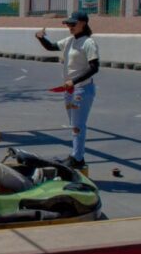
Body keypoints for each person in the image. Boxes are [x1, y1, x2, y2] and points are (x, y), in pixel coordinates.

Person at [35, 11, 99, 169]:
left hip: (82, 89)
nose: (70, 26)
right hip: (70, 89)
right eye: (68, 24)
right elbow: (51, 47)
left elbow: (94, 67)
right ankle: (76, 155)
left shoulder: (88, 43)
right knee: (74, 125)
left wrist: (74, 81)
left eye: (73, 24)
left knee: (78, 125)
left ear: (83, 23)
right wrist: (40, 37)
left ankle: (77, 158)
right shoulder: (69, 40)